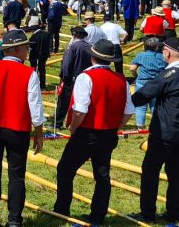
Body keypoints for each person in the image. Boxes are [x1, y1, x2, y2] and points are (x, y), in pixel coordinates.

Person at [52, 39, 134, 225]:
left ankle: (62, 209)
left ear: (92, 57)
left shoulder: (85, 77)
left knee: (65, 169)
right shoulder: (121, 80)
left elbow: (81, 109)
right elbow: (129, 111)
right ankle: (98, 215)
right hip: (108, 134)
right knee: (102, 175)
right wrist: (117, 127)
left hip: (87, 133)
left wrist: (73, 127)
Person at [0, 29, 45, 227]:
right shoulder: (29, 73)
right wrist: (39, 133)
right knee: (16, 176)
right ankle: (14, 220)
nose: (28, 52)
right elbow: (36, 107)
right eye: (25, 48)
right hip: (18, 130)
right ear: (16, 49)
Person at [131, 37, 179, 223]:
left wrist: (125, 103)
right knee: (176, 174)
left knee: (151, 171)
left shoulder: (169, 74)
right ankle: (174, 212)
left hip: (165, 132)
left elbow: (144, 95)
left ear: (166, 52)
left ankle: (148, 212)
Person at [54, 26, 92, 129]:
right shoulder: (90, 47)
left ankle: (57, 123)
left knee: (64, 101)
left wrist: (64, 77)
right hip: (86, 78)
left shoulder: (72, 47)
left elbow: (66, 64)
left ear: (74, 35)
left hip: (72, 78)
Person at [129, 38, 167, 130]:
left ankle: (140, 127)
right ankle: (156, 126)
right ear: (157, 47)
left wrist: (136, 75)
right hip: (156, 84)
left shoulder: (141, 55)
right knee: (155, 106)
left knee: (141, 106)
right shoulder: (162, 56)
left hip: (142, 83)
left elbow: (132, 68)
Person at [27, 18, 52, 90]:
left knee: (35, 71)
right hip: (44, 55)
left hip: (35, 56)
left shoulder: (34, 36)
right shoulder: (46, 34)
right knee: (42, 70)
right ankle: (42, 85)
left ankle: (35, 85)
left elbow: (31, 47)